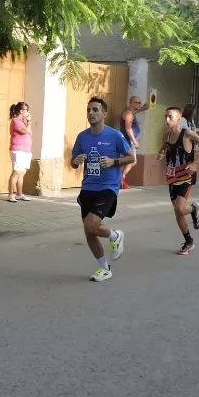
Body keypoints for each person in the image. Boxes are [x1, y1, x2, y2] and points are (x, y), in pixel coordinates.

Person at [69, 96, 133, 282]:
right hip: (88, 186)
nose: (91, 113)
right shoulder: (82, 137)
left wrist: (114, 161)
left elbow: (131, 157)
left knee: (91, 225)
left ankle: (115, 235)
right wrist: (75, 161)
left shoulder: (115, 136)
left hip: (108, 187)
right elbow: (73, 162)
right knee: (89, 231)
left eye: (95, 110)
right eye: (89, 110)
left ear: (104, 113)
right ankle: (104, 268)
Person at [157, 106, 199, 255]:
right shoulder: (166, 136)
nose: (167, 120)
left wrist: (195, 163)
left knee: (180, 209)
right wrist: (161, 154)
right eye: (166, 117)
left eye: (170, 117)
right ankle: (188, 241)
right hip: (172, 177)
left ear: (179, 118)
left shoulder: (187, 134)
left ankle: (194, 208)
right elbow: (163, 148)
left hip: (186, 176)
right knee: (178, 213)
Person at [119, 96, 148, 188]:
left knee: (127, 161)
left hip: (128, 141)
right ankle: (121, 178)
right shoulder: (128, 113)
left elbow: (133, 113)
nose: (139, 104)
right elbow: (128, 128)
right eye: (137, 102)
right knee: (132, 160)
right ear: (130, 103)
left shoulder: (130, 112)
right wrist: (134, 141)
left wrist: (143, 108)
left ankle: (119, 179)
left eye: (140, 103)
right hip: (128, 141)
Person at [7, 101, 33, 202]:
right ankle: (10, 195)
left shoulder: (24, 121)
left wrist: (28, 122)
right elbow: (25, 131)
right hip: (18, 150)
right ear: (21, 111)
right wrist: (29, 122)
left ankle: (19, 194)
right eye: (27, 110)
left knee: (22, 172)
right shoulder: (15, 121)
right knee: (16, 172)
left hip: (26, 150)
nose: (28, 112)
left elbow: (29, 131)